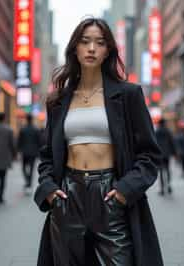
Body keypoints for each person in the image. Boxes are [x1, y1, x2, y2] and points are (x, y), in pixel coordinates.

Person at [34, 18, 163, 266]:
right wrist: (50, 189)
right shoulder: (58, 99)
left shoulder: (128, 95)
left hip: (110, 195)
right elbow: (48, 154)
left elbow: (150, 154)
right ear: (75, 48)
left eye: (99, 43)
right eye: (85, 42)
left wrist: (125, 191)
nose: (92, 48)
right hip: (67, 196)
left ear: (108, 51)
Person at [17, 113, 41, 193]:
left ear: (26, 119)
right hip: (33, 152)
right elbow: (39, 142)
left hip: (24, 152)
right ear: (32, 119)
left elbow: (19, 141)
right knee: (31, 169)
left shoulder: (23, 129)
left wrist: (18, 151)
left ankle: (27, 180)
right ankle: (29, 183)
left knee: (23, 168)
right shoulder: (36, 129)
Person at [0, 112, 15, 203]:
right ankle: (0, 196)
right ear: (4, 118)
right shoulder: (9, 130)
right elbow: (12, 144)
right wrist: (14, 154)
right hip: (4, 157)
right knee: (3, 177)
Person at [155, 118, 176, 195]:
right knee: (167, 169)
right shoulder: (168, 131)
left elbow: (154, 143)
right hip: (167, 153)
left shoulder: (157, 131)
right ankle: (169, 186)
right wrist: (175, 153)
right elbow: (172, 142)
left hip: (160, 154)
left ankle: (162, 189)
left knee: (161, 171)